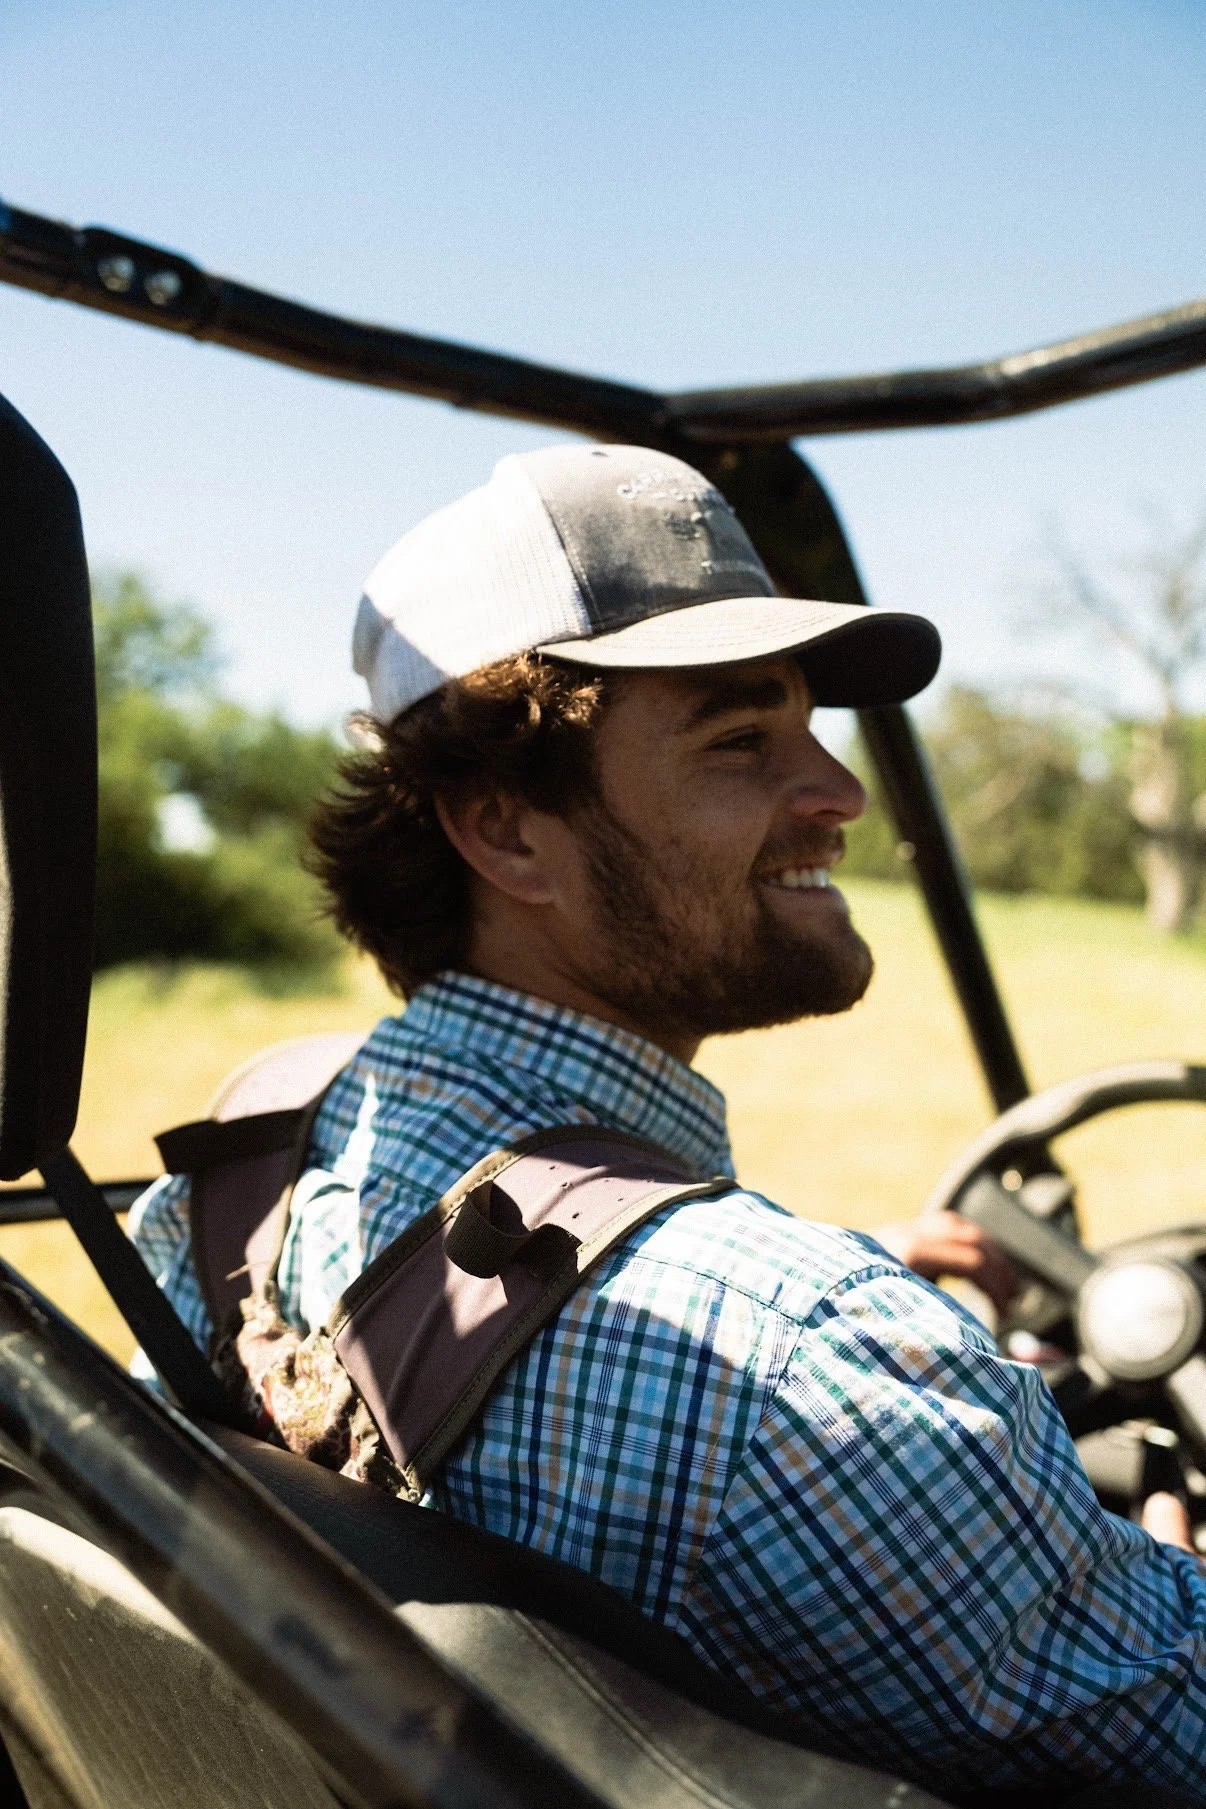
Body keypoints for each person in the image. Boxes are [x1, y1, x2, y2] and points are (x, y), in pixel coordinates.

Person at [132, 444, 1206, 1802]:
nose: (839, 792)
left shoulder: (246, 1168)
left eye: (808, 726)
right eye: (737, 741)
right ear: (507, 834)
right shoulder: (811, 1363)